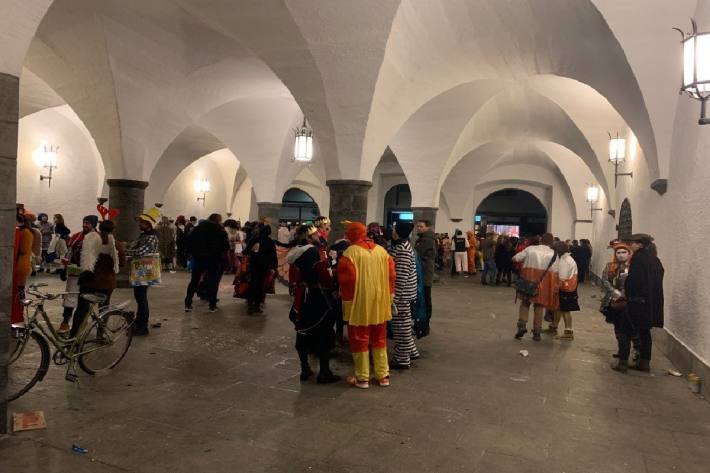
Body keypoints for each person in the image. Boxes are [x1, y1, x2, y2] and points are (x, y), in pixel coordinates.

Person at [338, 222, 395, 389]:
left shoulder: (350, 253)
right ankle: (383, 375)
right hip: (380, 301)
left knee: (359, 339)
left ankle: (362, 378)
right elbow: (392, 276)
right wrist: (389, 297)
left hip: (359, 302)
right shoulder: (382, 251)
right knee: (379, 338)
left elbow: (347, 281)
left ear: (352, 234)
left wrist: (346, 302)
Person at [286, 225, 340, 384]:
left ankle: (305, 368)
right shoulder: (313, 252)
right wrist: (332, 278)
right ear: (309, 237)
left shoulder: (297, 251)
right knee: (324, 331)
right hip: (316, 295)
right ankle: (324, 372)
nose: (320, 234)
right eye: (316, 233)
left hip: (302, 295)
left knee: (302, 331)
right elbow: (323, 274)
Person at [616, 234, 664, 372]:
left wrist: (627, 290)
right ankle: (644, 362)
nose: (631, 245)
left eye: (633, 243)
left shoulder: (638, 258)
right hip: (650, 303)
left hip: (636, 302)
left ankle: (622, 363)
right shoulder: (655, 260)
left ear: (640, 245)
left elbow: (635, 281)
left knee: (624, 331)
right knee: (644, 332)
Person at [69, 220, 119, 337]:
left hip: (88, 281)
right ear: (113, 230)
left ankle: (74, 335)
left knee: (81, 310)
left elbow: (78, 259)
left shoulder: (88, 241)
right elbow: (120, 263)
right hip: (106, 283)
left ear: (99, 228)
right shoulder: (116, 244)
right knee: (104, 309)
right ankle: (100, 335)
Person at [513, 233, 559, 341]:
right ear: (551, 242)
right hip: (542, 283)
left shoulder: (530, 249)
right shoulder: (553, 254)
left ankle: (522, 326)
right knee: (539, 307)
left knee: (525, 303)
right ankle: (537, 332)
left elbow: (516, 258)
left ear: (541, 240)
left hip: (527, 280)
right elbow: (555, 271)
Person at [59, 215, 99, 334]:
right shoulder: (77, 236)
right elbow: (69, 253)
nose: (84, 225)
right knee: (69, 297)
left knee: (84, 300)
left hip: (89, 274)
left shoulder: (98, 237)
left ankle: (81, 324)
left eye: (87, 223)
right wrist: (64, 268)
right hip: (74, 272)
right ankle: (65, 322)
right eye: (84, 222)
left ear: (93, 225)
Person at [123, 208, 160, 336]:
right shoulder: (145, 235)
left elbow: (141, 251)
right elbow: (135, 246)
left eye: (142, 222)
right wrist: (126, 245)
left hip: (146, 268)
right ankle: (139, 323)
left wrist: (123, 251)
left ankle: (142, 326)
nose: (139, 224)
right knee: (140, 298)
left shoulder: (151, 236)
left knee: (141, 298)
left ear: (148, 224)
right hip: (142, 267)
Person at [601, 243, 638, 371]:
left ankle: (629, 355)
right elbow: (605, 281)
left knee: (628, 331)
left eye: (624, 252)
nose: (621, 255)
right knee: (618, 328)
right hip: (614, 302)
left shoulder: (633, 267)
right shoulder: (610, 266)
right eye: (618, 253)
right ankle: (621, 351)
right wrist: (616, 293)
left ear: (629, 253)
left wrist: (625, 295)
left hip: (629, 303)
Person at [389, 222, 419, 369]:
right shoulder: (403, 246)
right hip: (405, 293)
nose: (392, 232)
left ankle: (402, 359)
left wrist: (394, 297)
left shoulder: (402, 250)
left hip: (402, 295)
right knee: (405, 324)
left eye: (394, 230)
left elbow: (400, 276)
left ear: (398, 232)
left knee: (401, 327)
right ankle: (411, 351)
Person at [184, 213, 230, 313]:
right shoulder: (220, 231)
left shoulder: (197, 229)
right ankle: (212, 305)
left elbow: (189, 242)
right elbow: (225, 247)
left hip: (199, 259)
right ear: (218, 220)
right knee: (213, 282)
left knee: (194, 281)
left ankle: (188, 303)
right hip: (214, 260)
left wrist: (195, 254)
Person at [544, 241, 578, 340]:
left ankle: (568, 332)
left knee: (565, 310)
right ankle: (553, 327)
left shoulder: (565, 261)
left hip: (566, 289)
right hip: (567, 288)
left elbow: (562, 277)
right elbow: (554, 268)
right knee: (559, 308)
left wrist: (554, 289)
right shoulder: (564, 258)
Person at [245, 222, 278, 314]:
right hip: (264, 266)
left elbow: (245, 251)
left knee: (252, 284)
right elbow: (273, 256)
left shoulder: (254, 239)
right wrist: (274, 267)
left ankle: (250, 306)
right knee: (260, 286)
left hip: (254, 265)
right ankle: (257, 306)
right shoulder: (270, 241)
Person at [11, 211, 35, 325]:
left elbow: (24, 249)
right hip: (22, 263)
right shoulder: (24, 231)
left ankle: (20, 311)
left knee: (19, 290)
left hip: (21, 264)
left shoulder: (25, 232)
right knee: (19, 289)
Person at [414, 220, 436, 338]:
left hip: (424, 274)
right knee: (423, 299)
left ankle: (424, 325)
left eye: (421, 226)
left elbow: (417, 253)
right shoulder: (424, 238)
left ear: (428, 227)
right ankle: (421, 324)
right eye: (417, 226)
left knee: (425, 300)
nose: (419, 228)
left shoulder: (427, 240)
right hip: (424, 272)